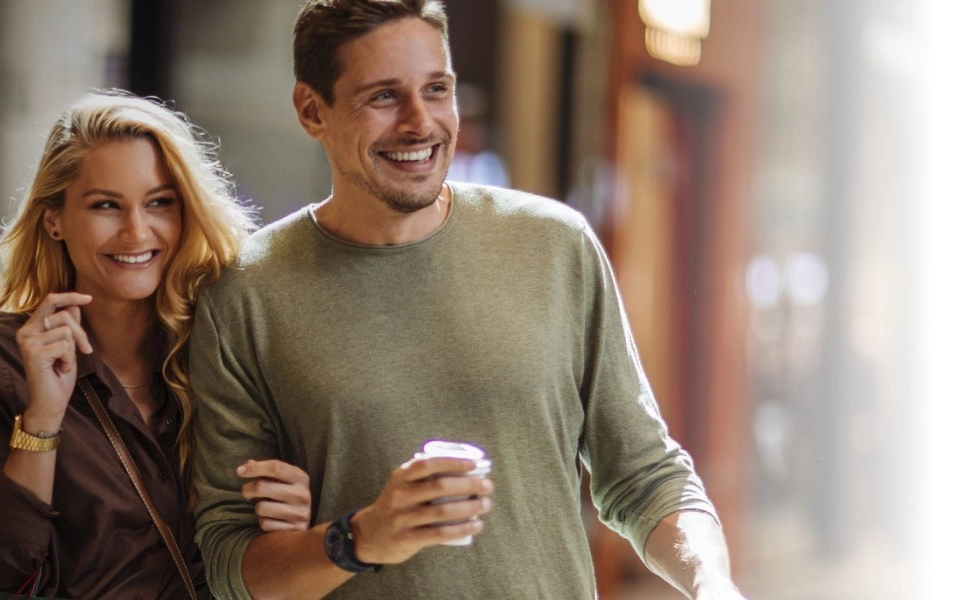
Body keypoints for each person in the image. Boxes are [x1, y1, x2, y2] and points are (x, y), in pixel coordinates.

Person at [186, 2, 745, 599]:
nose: (420, 122)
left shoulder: (555, 246)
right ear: (311, 109)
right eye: (383, 97)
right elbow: (229, 566)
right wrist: (361, 537)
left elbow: (644, 475)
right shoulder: (245, 294)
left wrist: (712, 584)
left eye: (437, 89)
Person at [0, 92, 315, 599]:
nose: (137, 231)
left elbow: (253, 565)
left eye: (159, 203)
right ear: (54, 219)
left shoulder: (222, 348)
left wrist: (293, 520)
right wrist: (42, 420)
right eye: (106, 205)